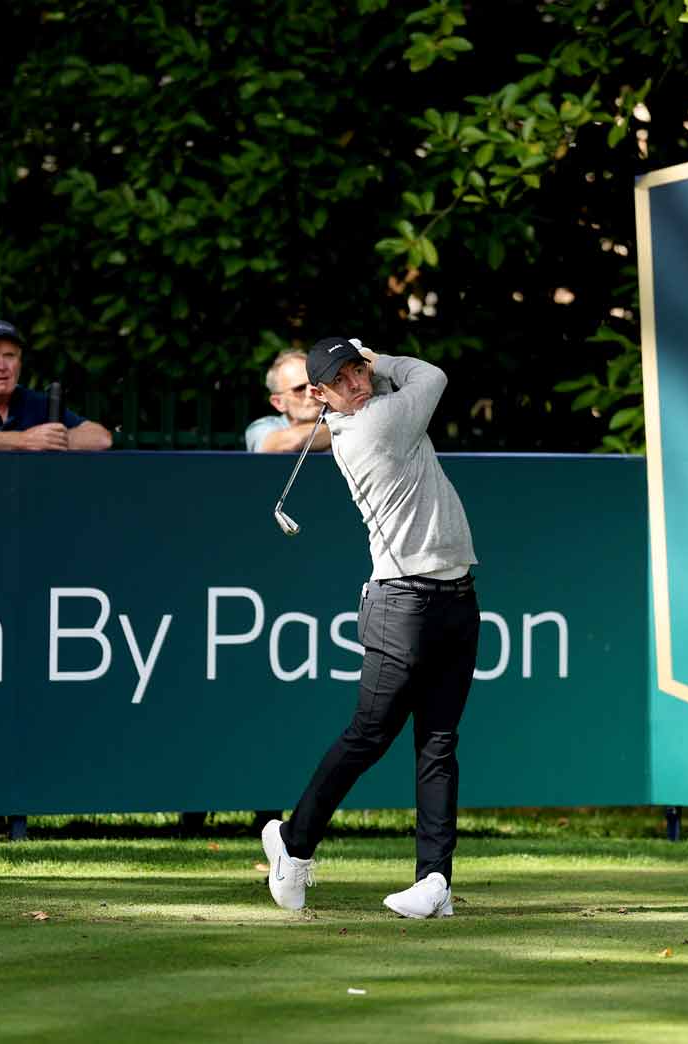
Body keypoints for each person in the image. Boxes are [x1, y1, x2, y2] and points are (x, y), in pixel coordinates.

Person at [261, 336, 481, 918]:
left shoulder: (374, 412)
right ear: (320, 395)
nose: (356, 383)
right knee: (369, 735)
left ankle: (434, 881)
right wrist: (379, 359)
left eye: (358, 371)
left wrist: (367, 367)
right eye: (341, 380)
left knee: (439, 743)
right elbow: (431, 376)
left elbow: (393, 388)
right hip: (401, 603)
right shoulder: (374, 427)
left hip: (456, 595)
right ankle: (293, 844)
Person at [0, 319, 113, 451]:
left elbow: (102, 439)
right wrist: (24, 440)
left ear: (20, 362)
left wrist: (51, 440)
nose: (1, 366)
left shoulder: (36, 402)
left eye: (9, 356)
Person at [244, 349, 330, 453]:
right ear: (278, 402)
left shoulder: (342, 417)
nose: (311, 392)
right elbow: (291, 442)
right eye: (299, 388)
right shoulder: (261, 427)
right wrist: (339, 431)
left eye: (315, 383)